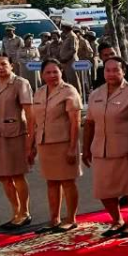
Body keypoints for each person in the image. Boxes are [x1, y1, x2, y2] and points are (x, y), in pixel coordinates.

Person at [83, 56, 128, 237]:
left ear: (123, 71)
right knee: (103, 189)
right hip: (101, 150)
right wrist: (85, 148)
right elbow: (89, 123)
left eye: (115, 70)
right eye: (107, 70)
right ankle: (117, 220)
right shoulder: (96, 94)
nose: (111, 74)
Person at [29, 58, 83, 233]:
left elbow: (75, 122)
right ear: (42, 74)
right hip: (45, 143)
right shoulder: (39, 92)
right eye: (48, 72)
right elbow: (34, 122)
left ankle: (71, 218)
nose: (52, 75)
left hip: (64, 143)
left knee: (68, 181)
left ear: (61, 72)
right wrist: (30, 145)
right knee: (51, 182)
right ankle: (54, 218)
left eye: (55, 72)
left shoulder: (69, 91)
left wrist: (73, 147)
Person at [0, 52, 34, 229]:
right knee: (3, 176)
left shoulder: (20, 83)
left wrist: (30, 141)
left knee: (17, 174)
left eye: (3, 64)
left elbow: (29, 113)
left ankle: (25, 213)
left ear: (11, 66)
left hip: (16, 134)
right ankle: (16, 211)